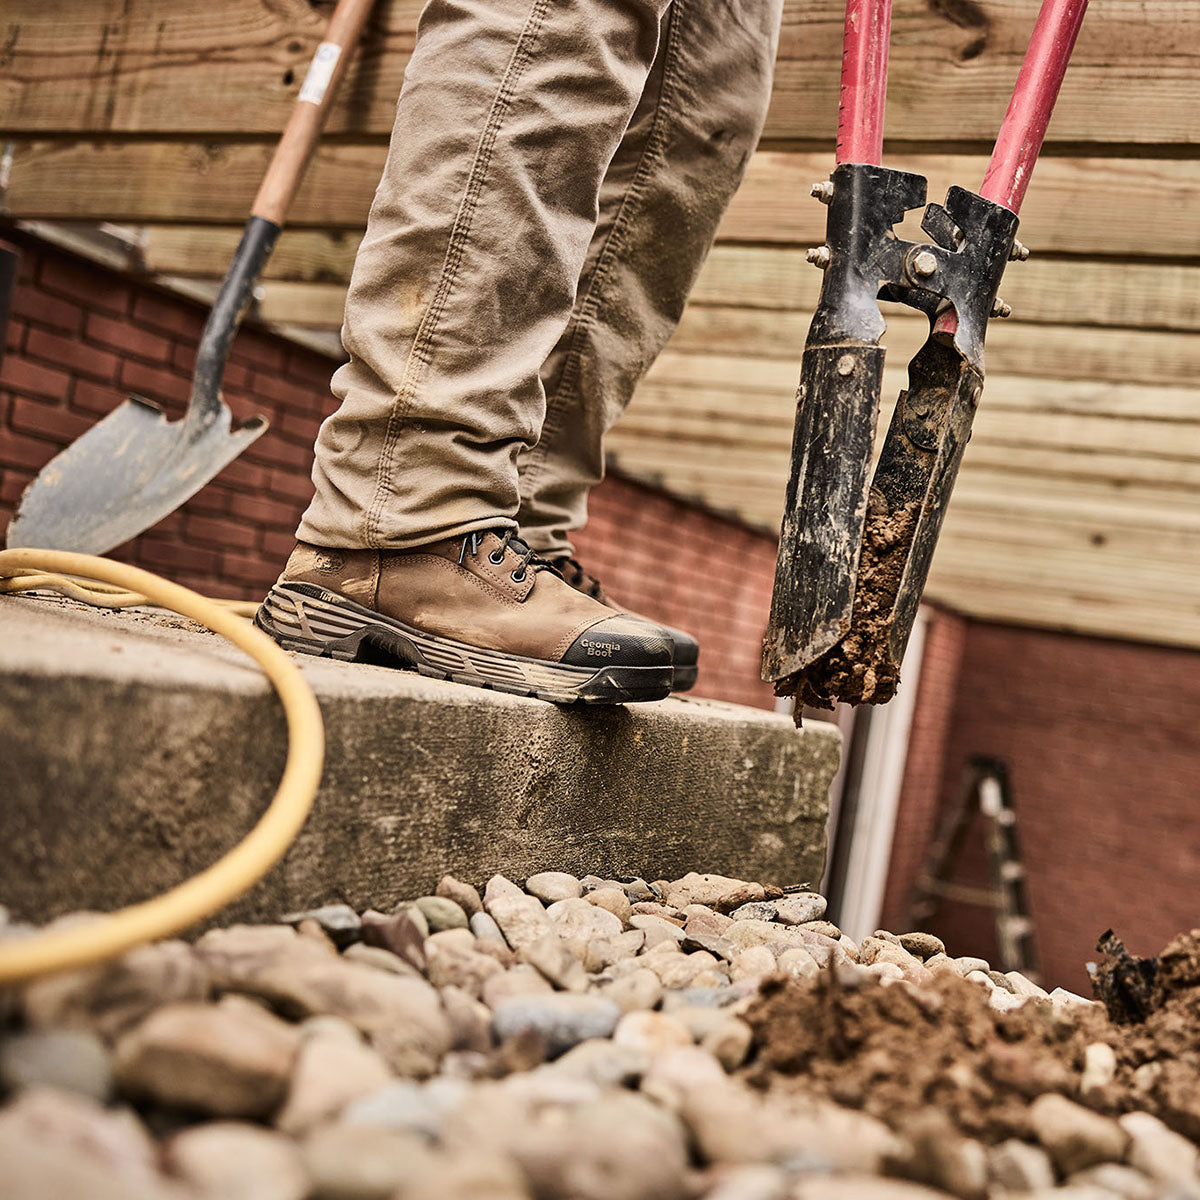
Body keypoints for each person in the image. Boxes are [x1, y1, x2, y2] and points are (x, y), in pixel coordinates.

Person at [256, 0, 783, 704]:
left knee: (702, 101)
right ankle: (410, 508)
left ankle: (517, 517)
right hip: (401, 506)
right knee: (562, 20)